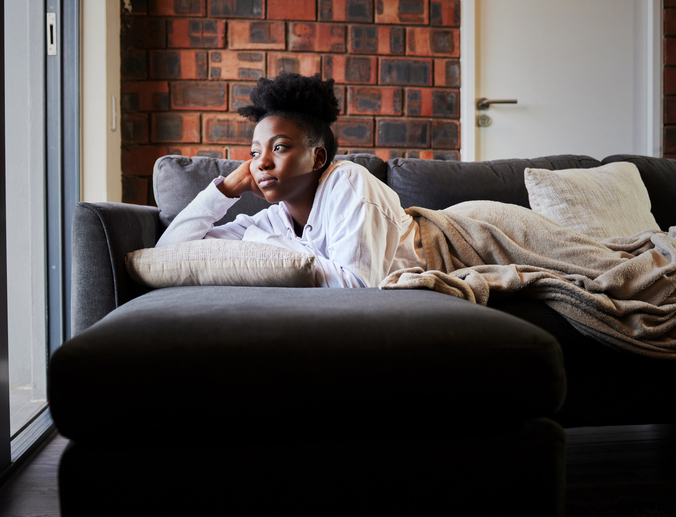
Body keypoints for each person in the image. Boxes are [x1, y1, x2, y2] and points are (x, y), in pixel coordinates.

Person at [156, 73, 425, 288]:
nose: (261, 162)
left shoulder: (348, 181)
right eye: (254, 152)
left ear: (318, 158)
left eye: (280, 147)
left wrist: (260, 242)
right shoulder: (272, 221)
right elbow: (167, 257)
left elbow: (355, 287)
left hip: (440, 242)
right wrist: (226, 190)